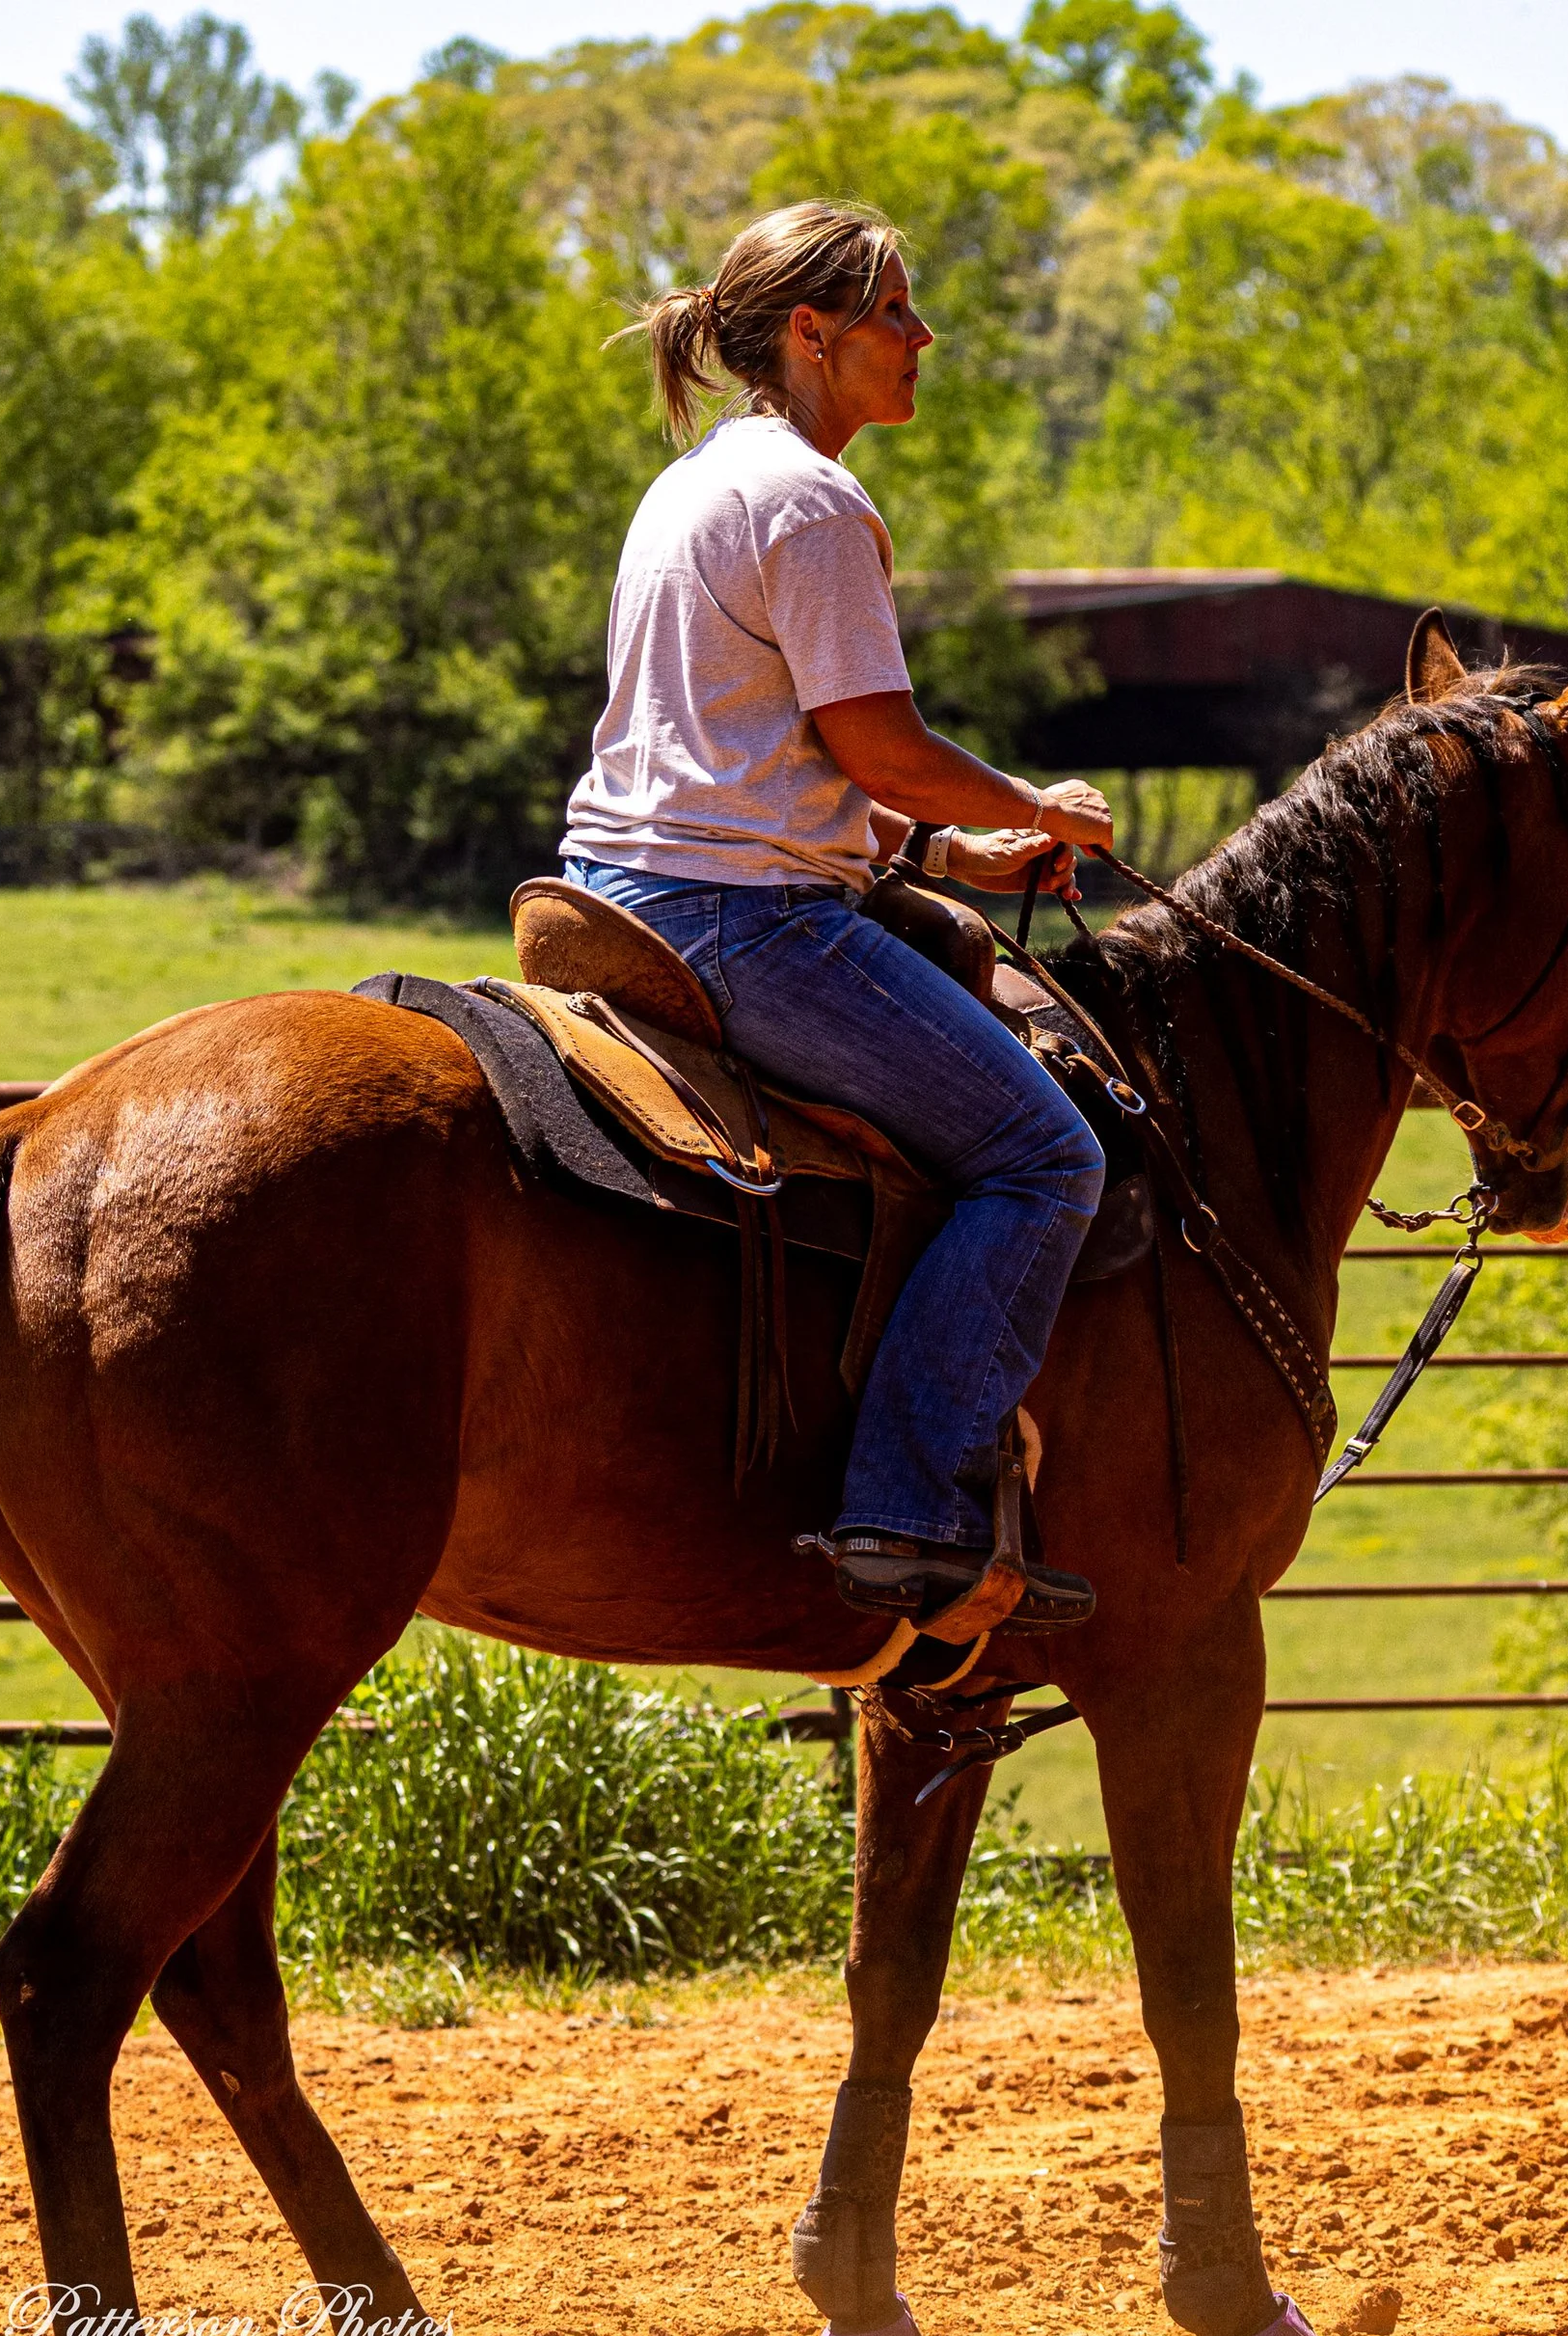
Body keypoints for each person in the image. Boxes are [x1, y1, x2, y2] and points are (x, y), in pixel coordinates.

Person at [560, 198, 1116, 1637]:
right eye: (895, 314)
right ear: (811, 333)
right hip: (745, 920)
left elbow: (765, 757)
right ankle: (909, 1501)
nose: (923, 338)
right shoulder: (810, 501)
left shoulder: (692, 485)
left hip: (621, 887)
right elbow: (875, 743)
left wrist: (960, 850)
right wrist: (1041, 811)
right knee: (1047, 1157)